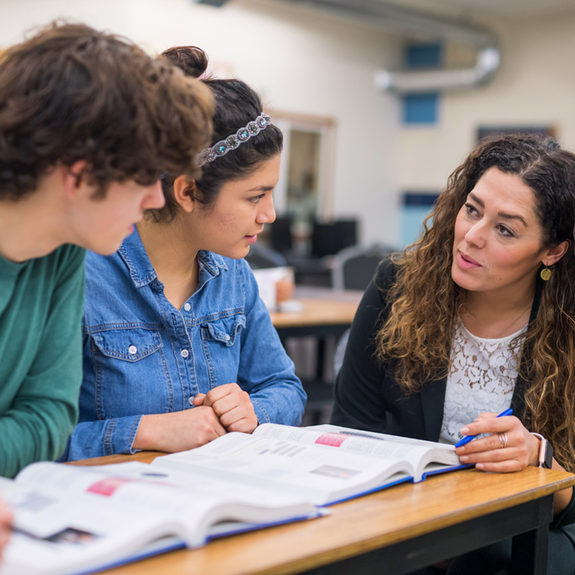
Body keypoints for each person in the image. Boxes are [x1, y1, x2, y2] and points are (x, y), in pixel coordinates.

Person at [332, 133, 575, 575]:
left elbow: (567, 511)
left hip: (518, 537)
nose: (471, 238)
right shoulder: (397, 285)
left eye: (505, 229)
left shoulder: (569, 330)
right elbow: (351, 430)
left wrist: (541, 458)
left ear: (552, 251)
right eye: (472, 210)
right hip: (403, 524)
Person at [61, 46, 306, 461]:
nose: (270, 214)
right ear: (188, 191)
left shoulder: (233, 275)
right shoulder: (80, 277)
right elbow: (31, 439)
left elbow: (286, 388)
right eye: (255, 196)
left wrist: (253, 410)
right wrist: (142, 430)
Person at [0, 22, 213, 483]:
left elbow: (49, 422)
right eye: (143, 177)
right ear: (78, 178)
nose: (156, 200)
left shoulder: (60, 253)